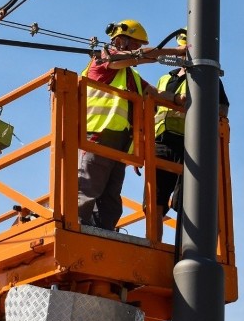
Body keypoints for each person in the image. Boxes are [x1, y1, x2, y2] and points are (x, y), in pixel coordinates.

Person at [78, 19, 186, 230]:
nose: (138, 49)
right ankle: (79, 227)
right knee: (89, 187)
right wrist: (177, 51)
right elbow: (144, 56)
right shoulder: (102, 62)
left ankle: (102, 232)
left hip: (120, 144)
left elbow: (153, 93)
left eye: (139, 45)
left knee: (111, 198)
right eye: (135, 44)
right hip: (98, 136)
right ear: (120, 41)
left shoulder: (130, 77)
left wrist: (176, 100)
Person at [152, 28, 229, 240]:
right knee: (155, 199)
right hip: (161, 143)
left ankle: (187, 249)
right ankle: (154, 243)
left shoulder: (208, 79)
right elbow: (151, 112)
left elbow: (222, 109)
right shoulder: (163, 79)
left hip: (189, 144)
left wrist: (197, 104)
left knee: (186, 203)